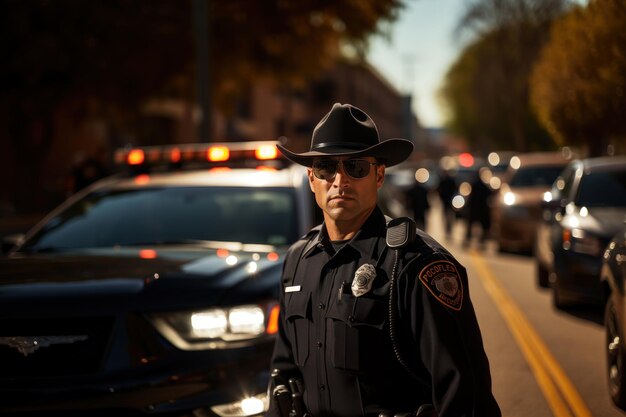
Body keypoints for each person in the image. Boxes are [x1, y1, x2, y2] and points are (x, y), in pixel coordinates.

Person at [268, 103, 501, 417]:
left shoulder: (416, 265)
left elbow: (465, 396)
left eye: (356, 167)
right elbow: (284, 372)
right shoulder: (298, 260)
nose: (340, 180)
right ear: (312, 179)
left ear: (378, 176)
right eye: (326, 168)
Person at [464, 168, 493, 247]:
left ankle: (469, 240)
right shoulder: (482, 186)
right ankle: (474, 240)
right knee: (475, 225)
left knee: (473, 225)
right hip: (479, 209)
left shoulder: (477, 185)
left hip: (476, 209)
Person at [436, 169, 456, 237]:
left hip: (448, 201)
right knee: (449, 215)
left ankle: (448, 228)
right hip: (448, 201)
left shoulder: (444, 181)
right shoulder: (447, 181)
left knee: (448, 215)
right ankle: (448, 228)